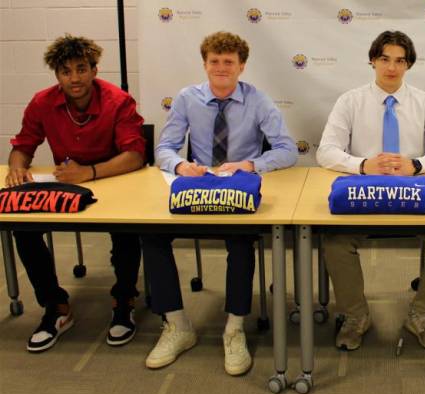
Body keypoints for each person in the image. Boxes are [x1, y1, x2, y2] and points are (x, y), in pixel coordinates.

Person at [144, 31, 298, 374]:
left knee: (241, 242)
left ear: (241, 66)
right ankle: (177, 325)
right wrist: (181, 165)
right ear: (205, 64)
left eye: (229, 62)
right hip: (197, 187)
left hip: (237, 190)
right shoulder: (186, 98)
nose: (221, 68)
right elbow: (164, 149)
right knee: (151, 236)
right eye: (214, 61)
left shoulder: (258, 100)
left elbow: (287, 150)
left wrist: (250, 165)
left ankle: (234, 329)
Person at [316, 30, 425, 351]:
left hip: (410, 197)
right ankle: (355, 316)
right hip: (362, 197)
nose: (392, 68)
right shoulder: (350, 101)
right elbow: (325, 152)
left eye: (400, 61)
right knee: (335, 241)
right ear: (372, 60)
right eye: (385, 59)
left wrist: (416, 164)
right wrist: (362, 165)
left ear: (409, 65)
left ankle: (423, 313)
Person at [6, 34, 145, 352]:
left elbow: (135, 155)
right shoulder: (42, 101)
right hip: (68, 185)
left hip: (114, 179)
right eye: (66, 71)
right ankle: (55, 307)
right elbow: (22, 145)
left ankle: (123, 301)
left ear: (95, 70)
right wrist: (17, 166)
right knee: (23, 230)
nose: (74, 78)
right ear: (57, 75)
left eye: (81, 69)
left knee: (127, 230)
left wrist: (90, 172)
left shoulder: (118, 100)